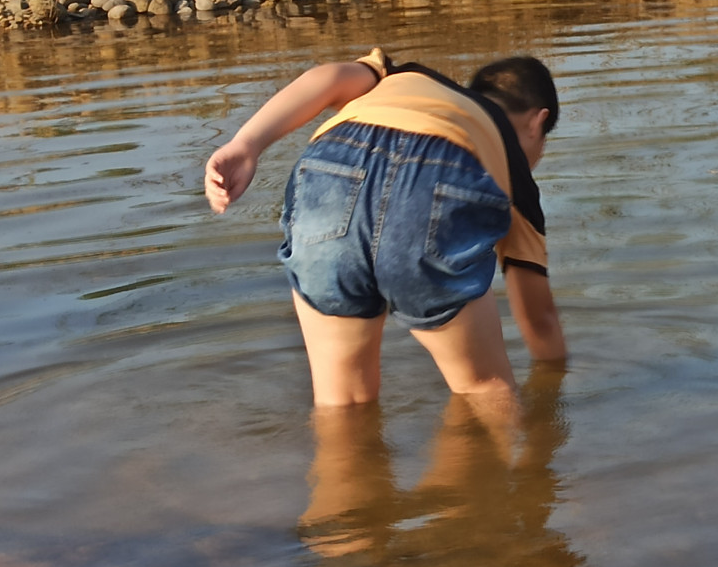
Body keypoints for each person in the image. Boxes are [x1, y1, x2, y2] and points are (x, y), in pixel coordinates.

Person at [204, 49, 568, 407]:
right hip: (439, 174)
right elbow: (539, 320)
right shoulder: (508, 157)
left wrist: (246, 144)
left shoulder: (399, 76)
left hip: (331, 169)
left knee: (342, 401)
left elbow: (327, 78)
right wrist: (555, 387)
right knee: (485, 391)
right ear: (538, 122)